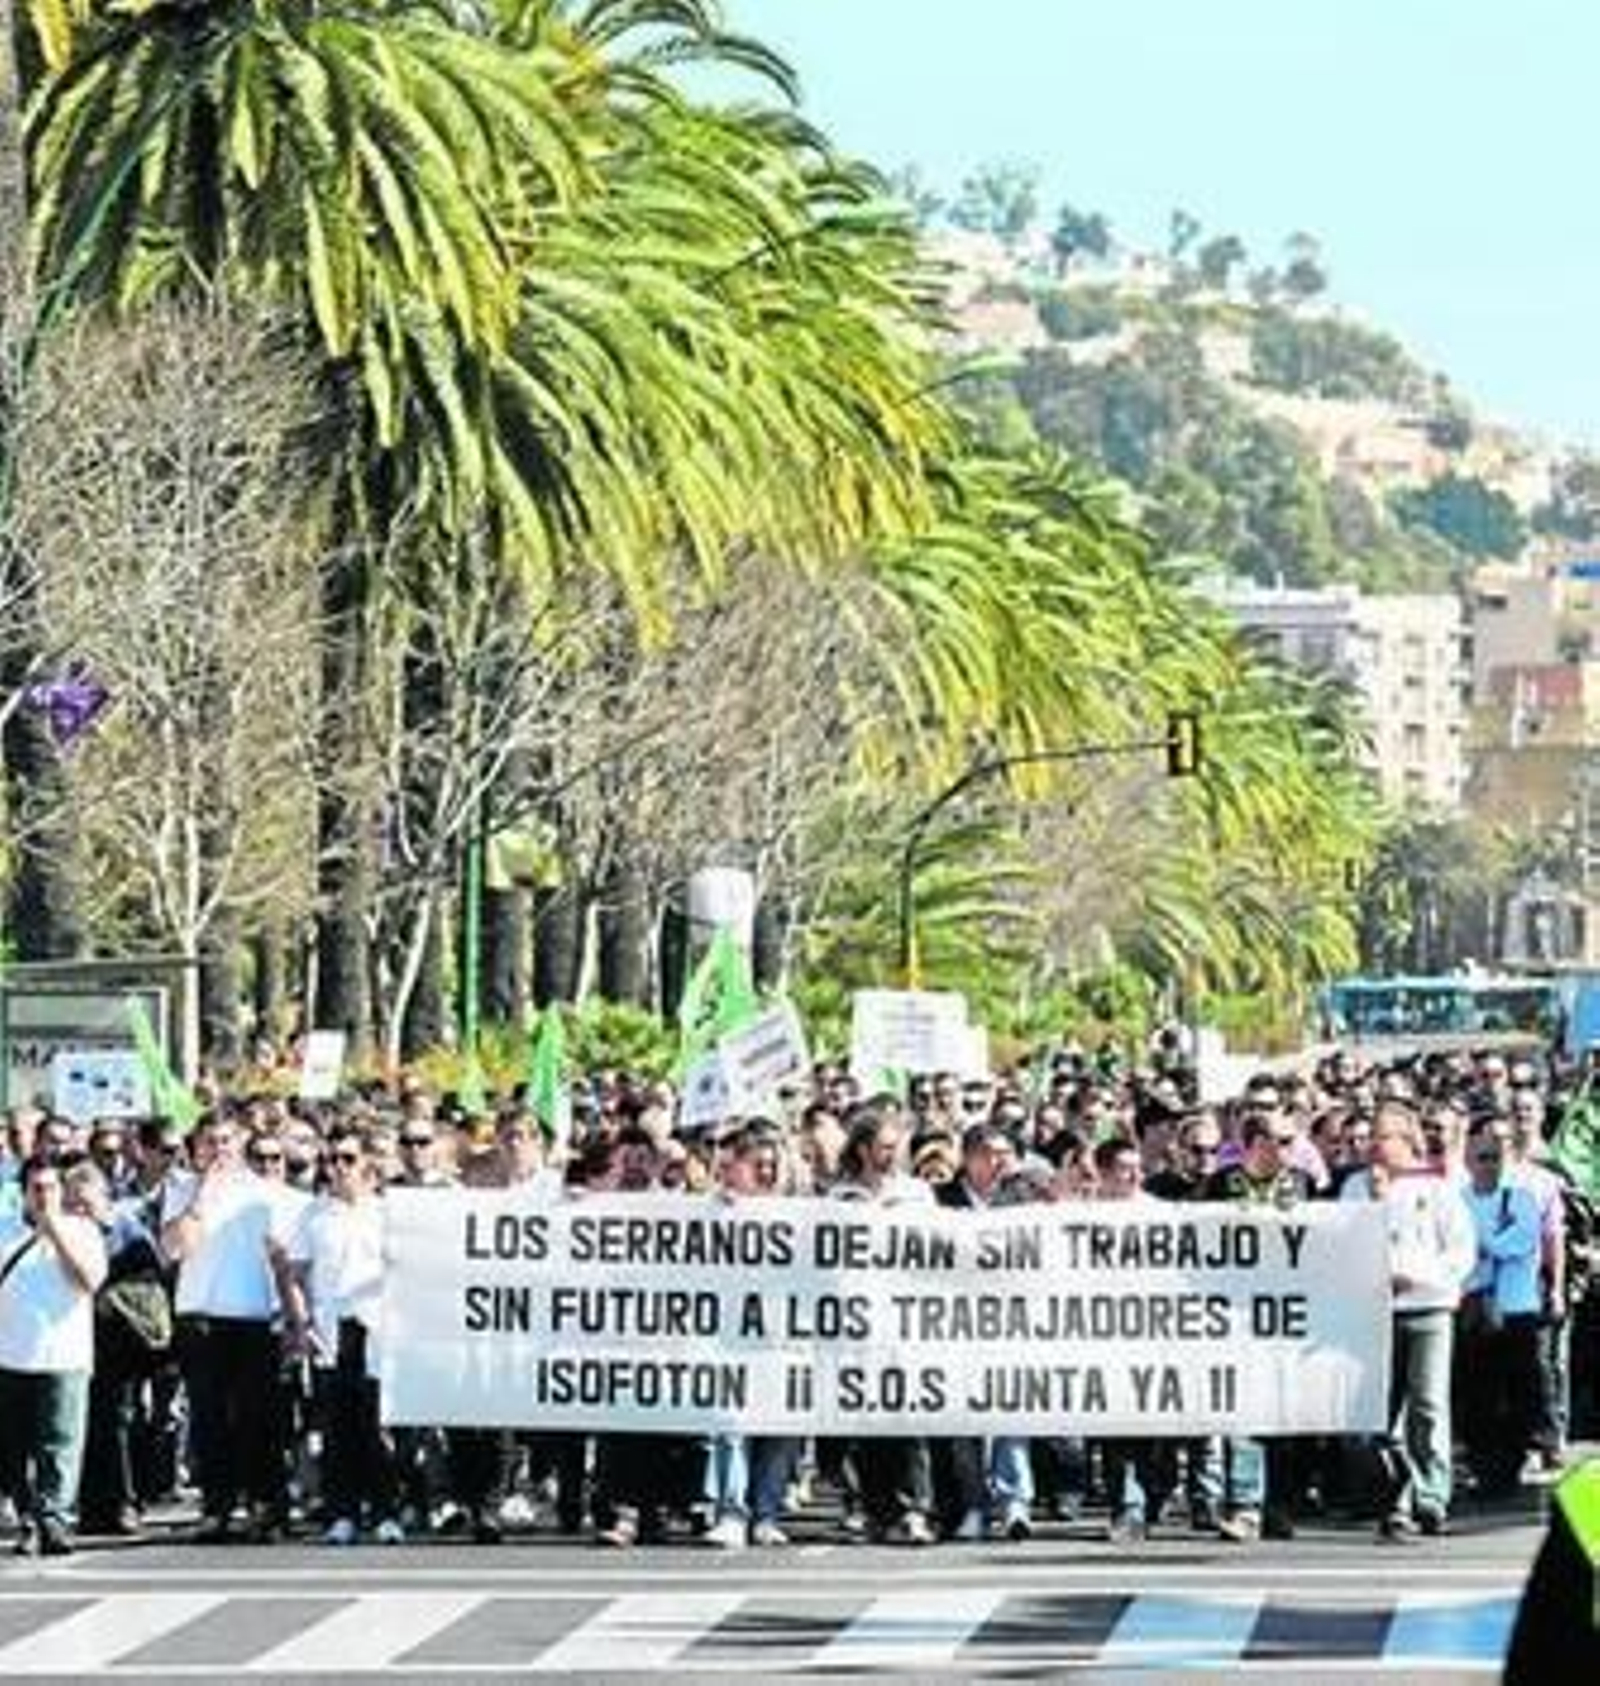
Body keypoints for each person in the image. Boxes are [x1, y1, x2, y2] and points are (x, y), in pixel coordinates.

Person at [159, 1110, 300, 1542]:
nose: (219, 1150)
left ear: (239, 1144)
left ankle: (266, 1505)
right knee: (209, 1418)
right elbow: (175, 1248)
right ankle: (217, 1506)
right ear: (196, 1147)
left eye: (226, 1141)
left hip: (253, 1316)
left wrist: (294, 1318)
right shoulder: (181, 1189)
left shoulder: (263, 1193)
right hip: (200, 1315)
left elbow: (281, 1260)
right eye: (209, 1142)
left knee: (258, 1418)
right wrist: (202, 1193)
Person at [1343, 1103, 1474, 1539]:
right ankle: (1395, 1496)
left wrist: (1416, 1277)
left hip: (1429, 1308)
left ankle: (1430, 1496)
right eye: (1366, 1139)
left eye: (1379, 1138)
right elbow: (1346, 1244)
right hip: (1375, 1313)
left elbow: (1459, 1253)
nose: (1370, 1147)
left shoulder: (1437, 1188)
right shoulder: (1356, 1188)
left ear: (1404, 1140)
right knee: (1380, 1415)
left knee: (1428, 1405)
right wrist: (1377, 1202)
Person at [0, 1154, 108, 1556]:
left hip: (65, 1357)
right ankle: (27, 1518)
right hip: (11, 1354)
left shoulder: (83, 1230)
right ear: (22, 1192)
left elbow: (88, 1281)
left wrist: (55, 1231)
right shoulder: (4, 1230)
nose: (43, 1196)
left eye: (51, 1188)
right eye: (36, 1189)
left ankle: (54, 1519)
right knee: (16, 1448)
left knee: (60, 1445)